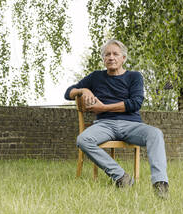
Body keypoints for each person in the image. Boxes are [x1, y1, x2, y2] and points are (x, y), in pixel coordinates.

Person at [65, 39, 169, 198]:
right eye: (107, 54)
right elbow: (68, 93)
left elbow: (135, 103)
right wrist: (84, 89)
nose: (111, 57)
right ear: (103, 59)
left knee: (155, 134)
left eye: (115, 54)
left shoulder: (134, 77)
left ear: (123, 58)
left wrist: (103, 108)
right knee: (83, 139)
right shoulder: (95, 77)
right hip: (104, 125)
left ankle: (160, 184)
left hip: (131, 125)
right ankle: (122, 177)